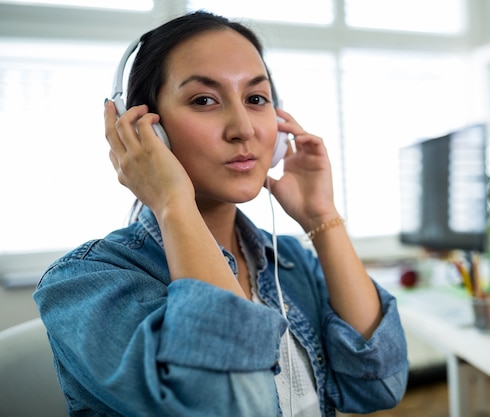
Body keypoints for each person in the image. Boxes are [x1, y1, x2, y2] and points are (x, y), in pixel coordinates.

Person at [34, 10, 408, 417]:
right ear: (146, 131)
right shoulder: (86, 284)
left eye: (256, 99)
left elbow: (381, 385)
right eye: (204, 100)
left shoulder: (290, 262)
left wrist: (322, 216)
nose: (244, 128)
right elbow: (228, 407)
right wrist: (172, 202)